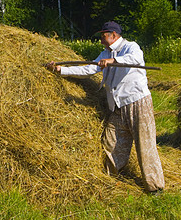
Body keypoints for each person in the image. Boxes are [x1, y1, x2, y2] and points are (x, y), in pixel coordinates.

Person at [46, 21, 165, 194]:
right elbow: (88, 69)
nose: (101, 40)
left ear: (114, 35)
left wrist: (113, 60)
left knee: (145, 145)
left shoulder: (130, 47)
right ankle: (112, 177)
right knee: (111, 142)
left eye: (103, 36)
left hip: (137, 103)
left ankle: (155, 187)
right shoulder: (104, 53)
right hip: (117, 106)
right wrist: (60, 69)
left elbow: (135, 59)